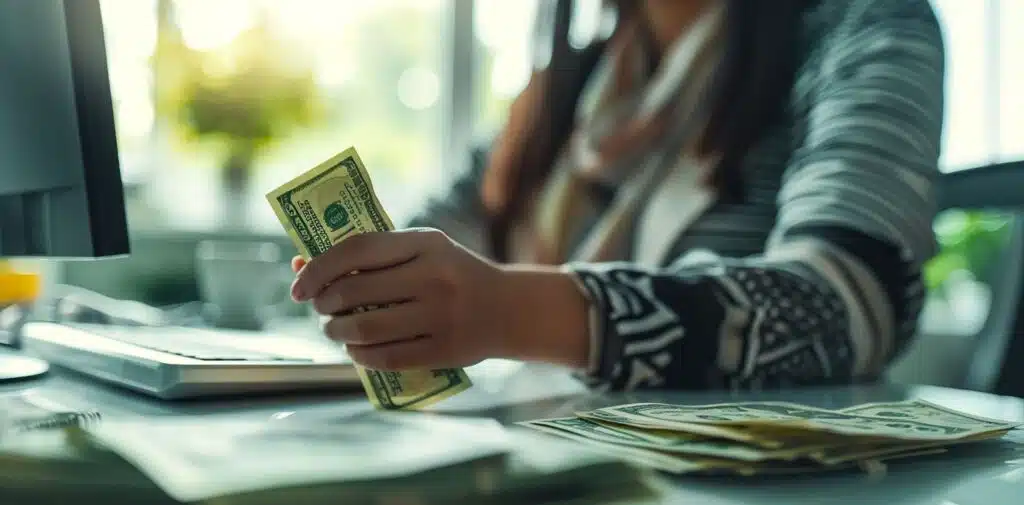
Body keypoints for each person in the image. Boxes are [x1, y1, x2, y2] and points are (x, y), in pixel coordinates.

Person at [289, 0, 945, 391]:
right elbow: (433, 240)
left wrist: (509, 311)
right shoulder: (565, 89)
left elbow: (847, 305)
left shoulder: (865, 24)